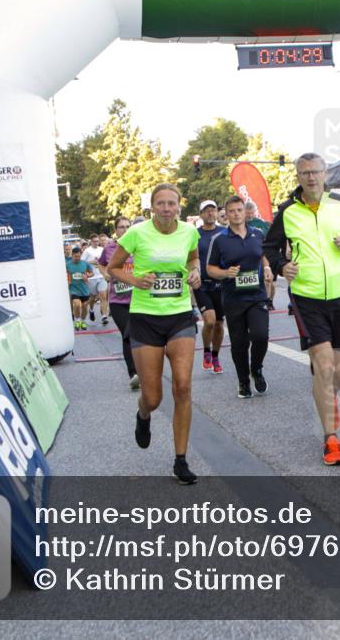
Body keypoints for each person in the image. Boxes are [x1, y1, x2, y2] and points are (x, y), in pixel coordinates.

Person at [264, 152, 340, 466]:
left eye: (316, 172)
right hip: (306, 296)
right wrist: (283, 265)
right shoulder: (287, 212)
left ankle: (328, 395)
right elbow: (269, 248)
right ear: (297, 176)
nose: (311, 177)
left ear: (325, 175)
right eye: (305, 172)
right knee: (324, 367)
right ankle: (331, 439)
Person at [106, 183, 203, 484]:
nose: (165, 208)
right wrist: (135, 280)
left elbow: (192, 259)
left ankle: (181, 460)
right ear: (152, 207)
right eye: (160, 203)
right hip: (145, 319)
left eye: (171, 203)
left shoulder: (189, 232)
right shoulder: (136, 233)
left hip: (179, 317)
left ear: (178, 207)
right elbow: (113, 268)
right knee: (153, 397)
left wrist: (196, 270)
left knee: (183, 387)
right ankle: (143, 415)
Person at [208, 196, 274, 398]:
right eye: (232, 211)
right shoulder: (219, 239)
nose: (236, 214)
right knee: (239, 342)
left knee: (261, 335)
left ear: (245, 212)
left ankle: (257, 369)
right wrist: (225, 273)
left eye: (239, 210)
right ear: (226, 215)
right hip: (233, 298)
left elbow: (262, 254)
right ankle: (243, 381)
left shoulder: (257, 233)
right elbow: (210, 269)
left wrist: (268, 267)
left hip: (257, 295)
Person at [99, 216, 139, 390]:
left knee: (139, 336)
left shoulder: (139, 247)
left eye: (127, 226)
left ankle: (142, 370)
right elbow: (101, 264)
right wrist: (105, 274)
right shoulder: (110, 249)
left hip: (138, 299)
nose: (124, 229)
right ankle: (133, 373)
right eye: (121, 227)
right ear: (115, 230)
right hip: (117, 301)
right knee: (128, 334)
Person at [194, 200, 227, 373]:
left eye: (213, 210)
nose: (210, 213)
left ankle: (215, 355)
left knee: (220, 325)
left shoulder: (224, 232)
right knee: (209, 321)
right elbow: (189, 257)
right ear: (201, 215)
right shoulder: (195, 234)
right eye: (206, 211)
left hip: (221, 284)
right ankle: (206, 350)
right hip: (202, 285)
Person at [82, 234, 109, 325]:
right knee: (92, 297)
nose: (96, 243)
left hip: (101, 276)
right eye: (94, 241)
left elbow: (106, 261)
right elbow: (82, 262)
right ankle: (92, 310)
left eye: (97, 241)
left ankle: (104, 316)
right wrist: (91, 262)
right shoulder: (87, 251)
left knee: (103, 296)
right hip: (92, 277)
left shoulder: (102, 249)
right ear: (91, 241)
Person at [66, 245, 93, 330]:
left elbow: (92, 273)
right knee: (77, 304)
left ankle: (82, 321)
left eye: (79, 256)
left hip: (84, 289)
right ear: (72, 255)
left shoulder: (85, 263)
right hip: (74, 289)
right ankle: (77, 320)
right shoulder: (68, 264)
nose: (78, 258)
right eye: (76, 256)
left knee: (85, 306)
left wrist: (88, 275)